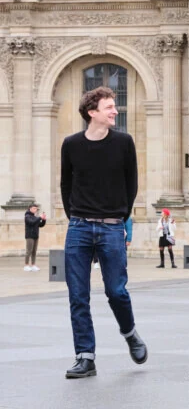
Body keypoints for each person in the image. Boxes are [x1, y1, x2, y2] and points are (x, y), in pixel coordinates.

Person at [59, 87, 147, 379]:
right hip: (79, 228)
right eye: (109, 107)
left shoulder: (124, 143)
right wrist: (76, 217)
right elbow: (65, 186)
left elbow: (131, 185)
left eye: (115, 106)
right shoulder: (71, 145)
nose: (115, 111)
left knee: (116, 291)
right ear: (92, 112)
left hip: (111, 227)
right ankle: (85, 356)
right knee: (78, 295)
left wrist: (119, 218)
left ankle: (130, 333)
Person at [24, 203, 46, 272]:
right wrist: (40, 217)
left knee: (34, 251)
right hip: (29, 236)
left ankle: (33, 265)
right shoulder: (27, 216)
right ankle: (26, 265)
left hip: (35, 236)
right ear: (30, 208)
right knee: (29, 251)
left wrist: (44, 220)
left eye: (36, 209)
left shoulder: (35, 217)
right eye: (34, 208)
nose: (35, 210)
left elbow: (40, 225)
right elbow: (31, 222)